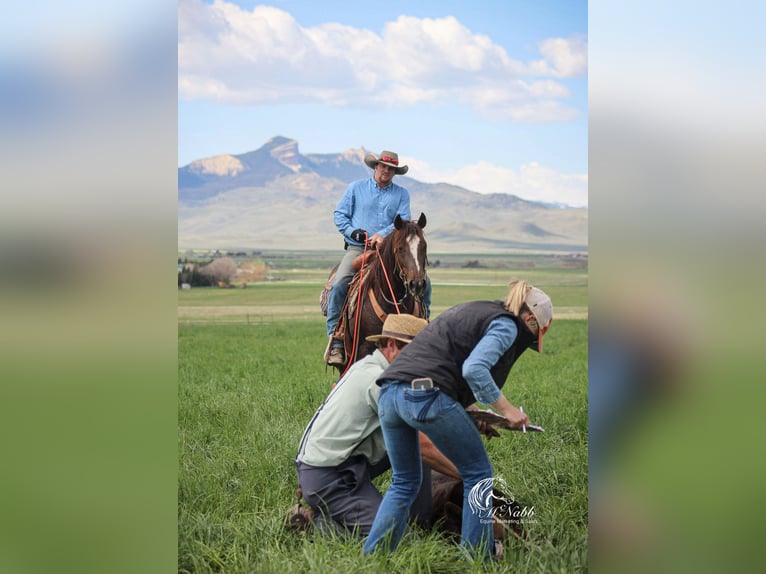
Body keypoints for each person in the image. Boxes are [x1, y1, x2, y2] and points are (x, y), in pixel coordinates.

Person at [362, 279, 554, 562]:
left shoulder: (475, 310)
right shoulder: (507, 325)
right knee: (478, 474)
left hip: (391, 395)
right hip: (424, 395)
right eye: (534, 332)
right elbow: (474, 369)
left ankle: (372, 558)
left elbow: (444, 365)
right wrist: (507, 409)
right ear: (528, 318)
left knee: (404, 481)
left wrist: (474, 413)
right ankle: (477, 558)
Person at [296, 313, 458, 537]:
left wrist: (468, 417)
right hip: (329, 478)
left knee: (415, 439)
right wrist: (467, 473)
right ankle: (314, 523)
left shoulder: (374, 367)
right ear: (391, 345)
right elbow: (422, 445)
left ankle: (419, 521)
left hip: (349, 465)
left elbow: (424, 411)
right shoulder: (380, 381)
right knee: (398, 540)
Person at [324, 150, 431, 367]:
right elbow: (340, 215)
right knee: (340, 283)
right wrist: (354, 232)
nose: (386, 171)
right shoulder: (356, 188)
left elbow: (401, 222)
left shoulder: (402, 194)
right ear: (376, 167)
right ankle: (336, 337)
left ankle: (423, 328)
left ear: (395, 172)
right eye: (383, 166)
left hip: (389, 249)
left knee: (424, 283)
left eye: (391, 168)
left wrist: (381, 235)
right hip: (359, 248)